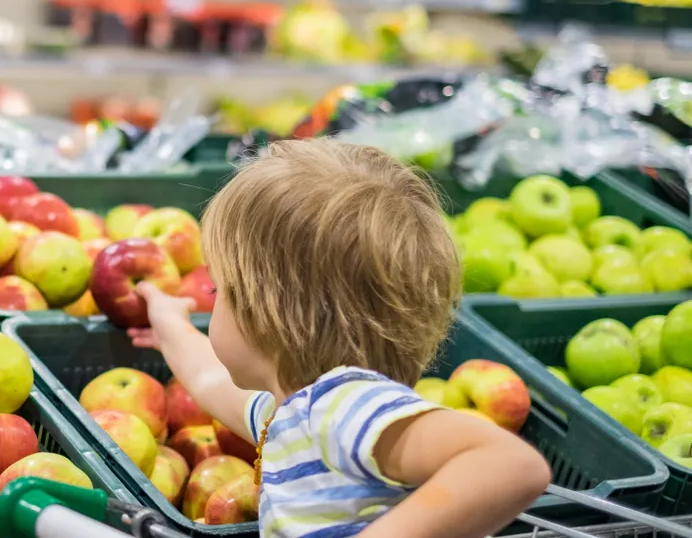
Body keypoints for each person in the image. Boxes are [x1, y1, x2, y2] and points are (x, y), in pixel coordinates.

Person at [130, 139, 551, 538]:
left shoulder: (340, 406)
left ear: (267, 314)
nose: (212, 304)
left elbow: (511, 464)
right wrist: (170, 324)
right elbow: (209, 381)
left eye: (217, 291)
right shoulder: (294, 417)